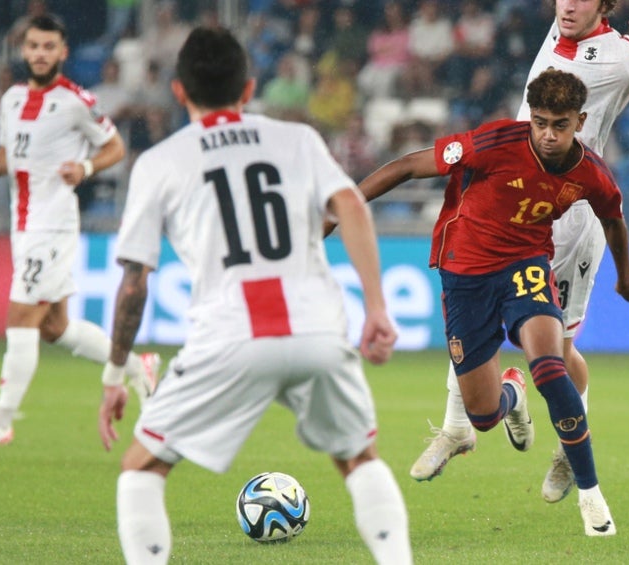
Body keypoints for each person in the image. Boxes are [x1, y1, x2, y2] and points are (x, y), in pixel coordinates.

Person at [97, 26, 412, 564]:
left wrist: (114, 373)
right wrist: (377, 307)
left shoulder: (160, 163)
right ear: (249, 88)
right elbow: (353, 207)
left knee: (142, 470)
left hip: (229, 333)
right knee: (360, 459)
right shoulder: (297, 140)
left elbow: (133, 283)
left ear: (178, 91)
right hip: (316, 327)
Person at [410, 0, 629, 507]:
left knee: (562, 349)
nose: (568, 4)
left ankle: (569, 448)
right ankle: (456, 428)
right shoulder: (558, 25)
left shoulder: (622, 53)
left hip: (569, 216)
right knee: (470, 305)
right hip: (509, 200)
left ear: (606, 5)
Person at [355, 68, 629, 536]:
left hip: (526, 266)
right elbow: (408, 166)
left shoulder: (591, 174)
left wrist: (623, 277)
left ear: (580, 121)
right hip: (465, 274)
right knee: (483, 414)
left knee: (552, 366)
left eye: (559, 124)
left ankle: (591, 494)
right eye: (539, 122)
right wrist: (346, 207)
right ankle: (511, 394)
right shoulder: (495, 142)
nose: (547, 135)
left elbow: (613, 221)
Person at [0, 14, 158, 447]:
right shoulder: (9, 98)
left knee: (21, 316)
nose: (40, 54)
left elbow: (115, 146)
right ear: (22, 50)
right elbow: (10, 150)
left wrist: (84, 167)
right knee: (55, 327)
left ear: (63, 53)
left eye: (49, 47)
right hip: (22, 223)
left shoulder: (77, 100)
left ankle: (1, 420)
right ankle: (140, 367)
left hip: (52, 224)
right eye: (33, 46)